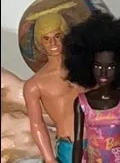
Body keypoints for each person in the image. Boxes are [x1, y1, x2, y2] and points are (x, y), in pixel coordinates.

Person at [63, 14, 120, 163]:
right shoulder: (81, 103)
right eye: (97, 66)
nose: (103, 73)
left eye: (110, 67)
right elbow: (78, 142)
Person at [22, 13, 82, 163]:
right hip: (70, 147)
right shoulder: (35, 84)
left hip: (100, 140)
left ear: (64, 35)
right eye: (46, 39)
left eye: (57, 36)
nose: (53, 43)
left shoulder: (83, 69)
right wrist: (49, 158)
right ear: (40, 42)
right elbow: (37, 124)